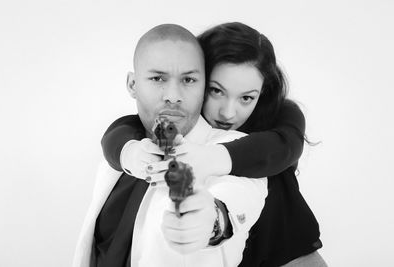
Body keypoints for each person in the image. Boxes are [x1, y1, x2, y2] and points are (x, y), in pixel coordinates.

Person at [100, 22, 326, 266]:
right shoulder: (153, 132)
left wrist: (211, 217)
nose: (228, 113)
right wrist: (129, 153)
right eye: (216, 91)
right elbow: (123, 130)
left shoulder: (263, 143)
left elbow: (233, 199)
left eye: (247, 98)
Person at [73, 24, 267, 267]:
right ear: (133, 84)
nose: (173, 95)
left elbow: (239, 197)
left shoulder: (235, 149)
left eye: (188, 79)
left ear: (204, 85)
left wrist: (212, 220)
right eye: (157, 78)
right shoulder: (121, 152)